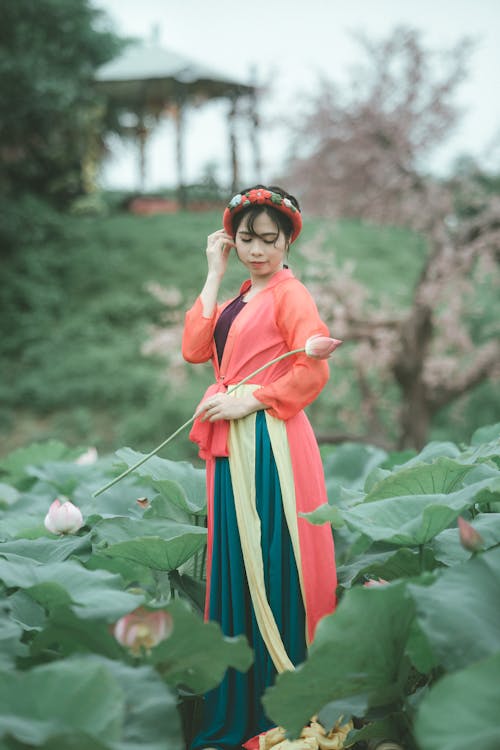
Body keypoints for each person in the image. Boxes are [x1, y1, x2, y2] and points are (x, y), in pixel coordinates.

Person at [182, 185, 337, 750]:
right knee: (238, 563)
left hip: (271, 443)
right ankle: (238, 707)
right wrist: (213, 271)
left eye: (269, 240)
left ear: (287, 240)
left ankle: (280, 703)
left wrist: (249, 400)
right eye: (246, 239)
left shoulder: (292, 295)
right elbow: (195, 348)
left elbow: (311, 370)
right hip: (233, 446)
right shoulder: (242, 295)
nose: (256, 250)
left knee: (272, 561)